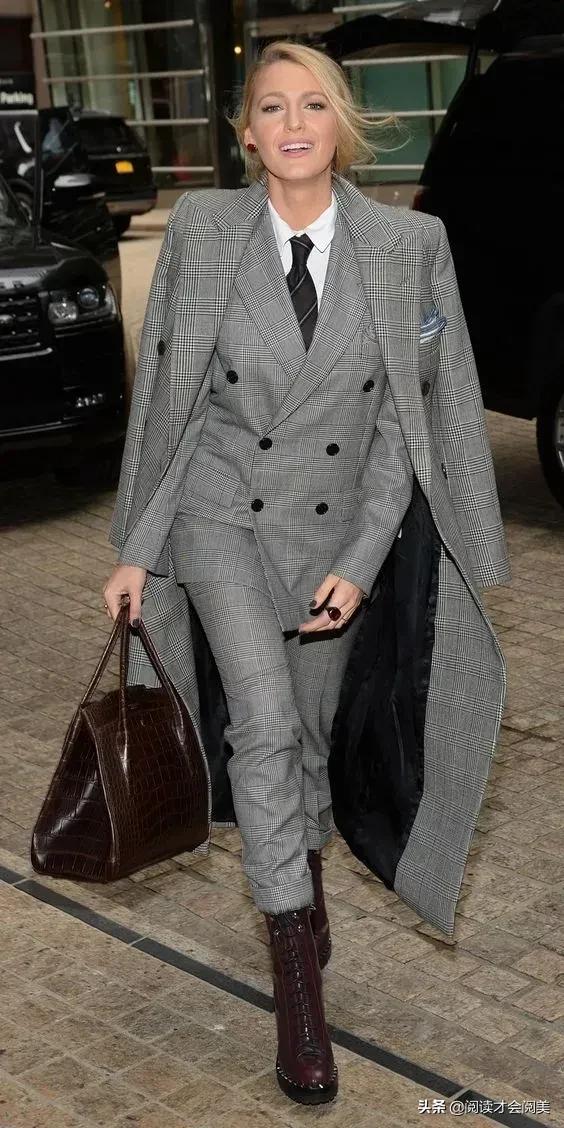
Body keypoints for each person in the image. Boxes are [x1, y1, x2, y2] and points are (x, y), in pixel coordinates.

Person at [103, 40, 510, 1107]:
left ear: (342, 125)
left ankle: (301, 877)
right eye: (272, 107)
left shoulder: (409, 245)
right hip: (219, 516)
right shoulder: (203, 229)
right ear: (246, 133)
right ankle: (297, 984)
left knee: (314, 742)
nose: (293, 122)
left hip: (334, 535)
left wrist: (363, 562)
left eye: (314, 104)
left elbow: (406, 428)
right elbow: (168, 398)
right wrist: (137, 546)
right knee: (267, 726)